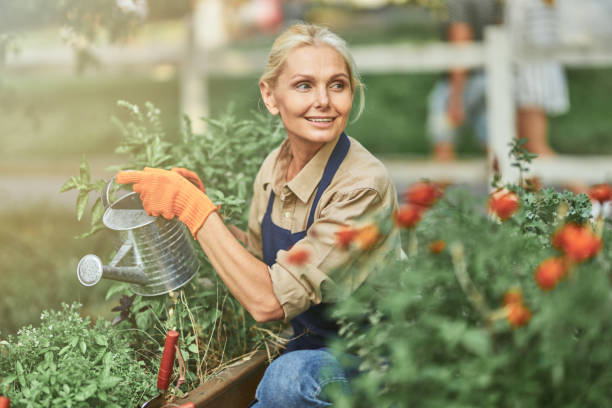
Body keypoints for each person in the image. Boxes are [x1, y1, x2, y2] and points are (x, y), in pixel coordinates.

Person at [116, 23, 400, 407]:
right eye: (304, 85)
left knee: (286, 381)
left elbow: (268, 302)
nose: (324, 101)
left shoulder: (361, 185)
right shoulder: (275, 167)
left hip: (374, 364)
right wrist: (201, 206)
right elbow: (256, 263)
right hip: (311, 354)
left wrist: (194, 209)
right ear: (270, 95)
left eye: (337, 85)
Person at [426, 0, 503, 161]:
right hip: (490, 78)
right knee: (495, 149)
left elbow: (461, 41)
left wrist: (455, 97)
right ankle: (505, 185)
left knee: (443, 146)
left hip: (462, 81)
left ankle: (440, 185)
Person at [506, 0, 570, 156]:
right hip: (539, 72)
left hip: (531, 76)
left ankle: (582, 181)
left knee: (534, 147)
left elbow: (513, 36)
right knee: (522, 151)